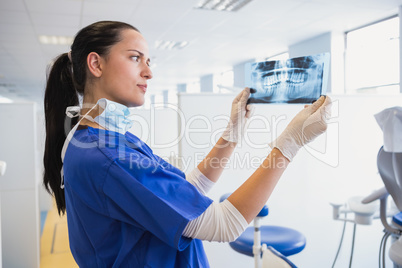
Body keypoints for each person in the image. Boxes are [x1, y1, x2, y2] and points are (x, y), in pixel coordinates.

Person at [43, 21, 331, 267]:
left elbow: (183, 195)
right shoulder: (108, 156)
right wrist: (289, 145)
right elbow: (224, 224)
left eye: (149, 61)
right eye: (135, 58)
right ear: (96, 63)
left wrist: (230, 136)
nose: (148, 72)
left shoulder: (97, 139)